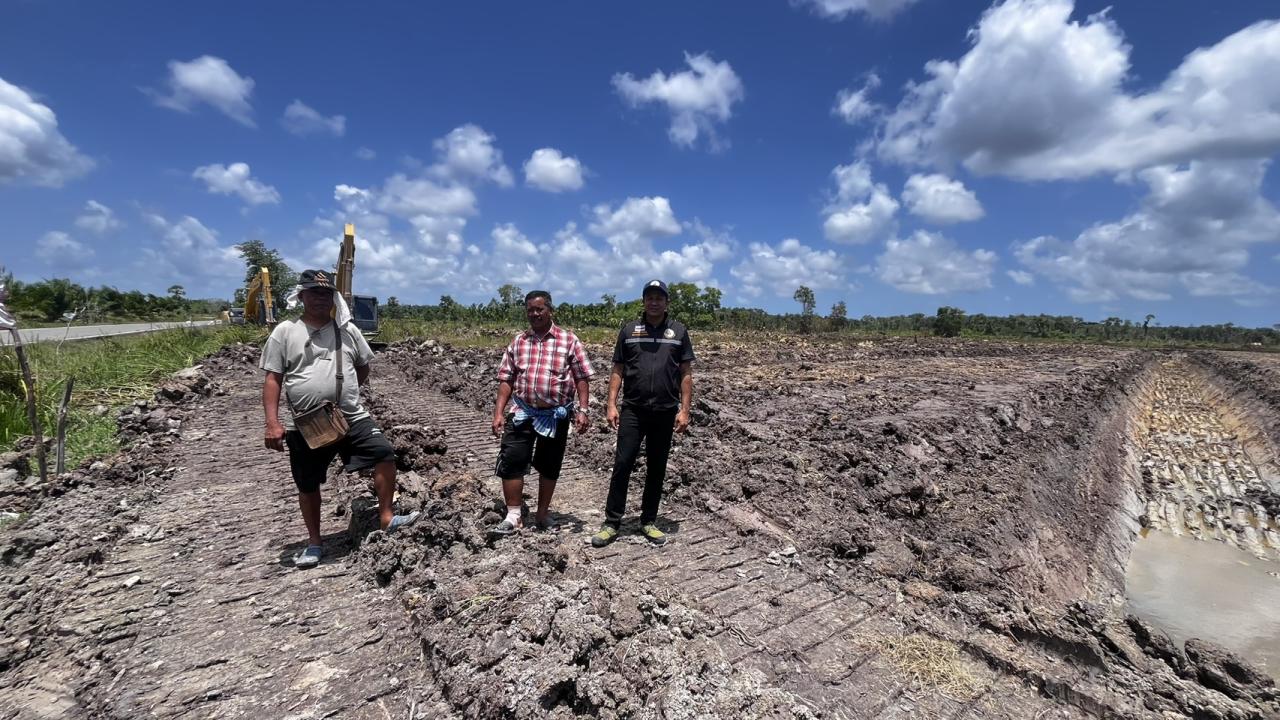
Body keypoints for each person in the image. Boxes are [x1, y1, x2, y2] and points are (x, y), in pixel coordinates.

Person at [261, 269, 417, 568]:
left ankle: (386, 517)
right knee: (307, 484)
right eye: (313, 292)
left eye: (325, 293)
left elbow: (362, 366)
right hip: (306, 422)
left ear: (333, 298)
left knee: (383, 453)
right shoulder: (286, 331)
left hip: (349, 415)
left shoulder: (348, 331)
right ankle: (315, 542)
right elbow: (273, 379)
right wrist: (272, 422)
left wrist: (346, 391)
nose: (319, 298)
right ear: (301, 296)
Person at [592, 279, 694, 548]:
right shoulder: (629, 331)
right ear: (643, 301)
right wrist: (611, 404)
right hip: (633, 410)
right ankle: (612, 522)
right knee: (623, 464)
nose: (654, 302)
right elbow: (617, 369)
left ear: (666, 302)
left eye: (659, 297)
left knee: (656, 468)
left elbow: (685, 374)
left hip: (664, 411)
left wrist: (685, 410)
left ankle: (648, 520)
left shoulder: (679, 332)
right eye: (649, 297)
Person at [490, 290, 594, 535]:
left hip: (555, 414)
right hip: (523, 411)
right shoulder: (519, 341)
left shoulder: (568, 340)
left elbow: (582, 377)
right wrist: (498, 413)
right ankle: (514, 515)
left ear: (550, 310)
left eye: (539, 309)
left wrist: (583, 409)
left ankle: (542, 513)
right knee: (512, 460)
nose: (535, 314)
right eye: (530, 310)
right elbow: (506, 378)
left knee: (549, 465)